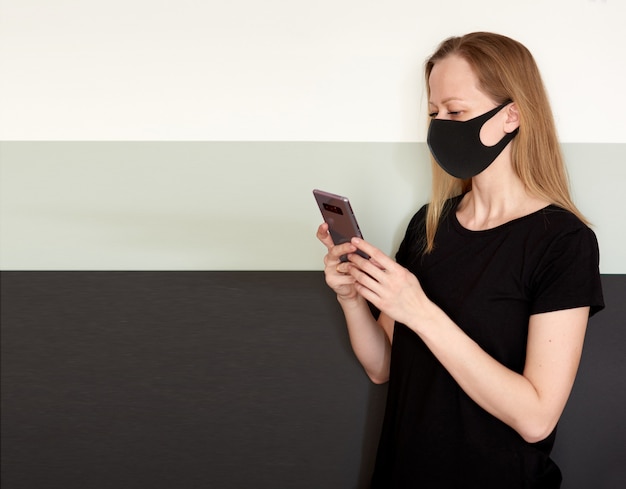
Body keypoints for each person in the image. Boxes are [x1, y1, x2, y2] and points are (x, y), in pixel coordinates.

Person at [316, 32, 604, 488]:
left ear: (511, 115)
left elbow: (536, 417)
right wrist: (352, 297)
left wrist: (420, 311)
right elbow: (382, 366)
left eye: (456, 111)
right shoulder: (428, 225)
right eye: (434, 113)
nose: (441, 125)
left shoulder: (565, 242)